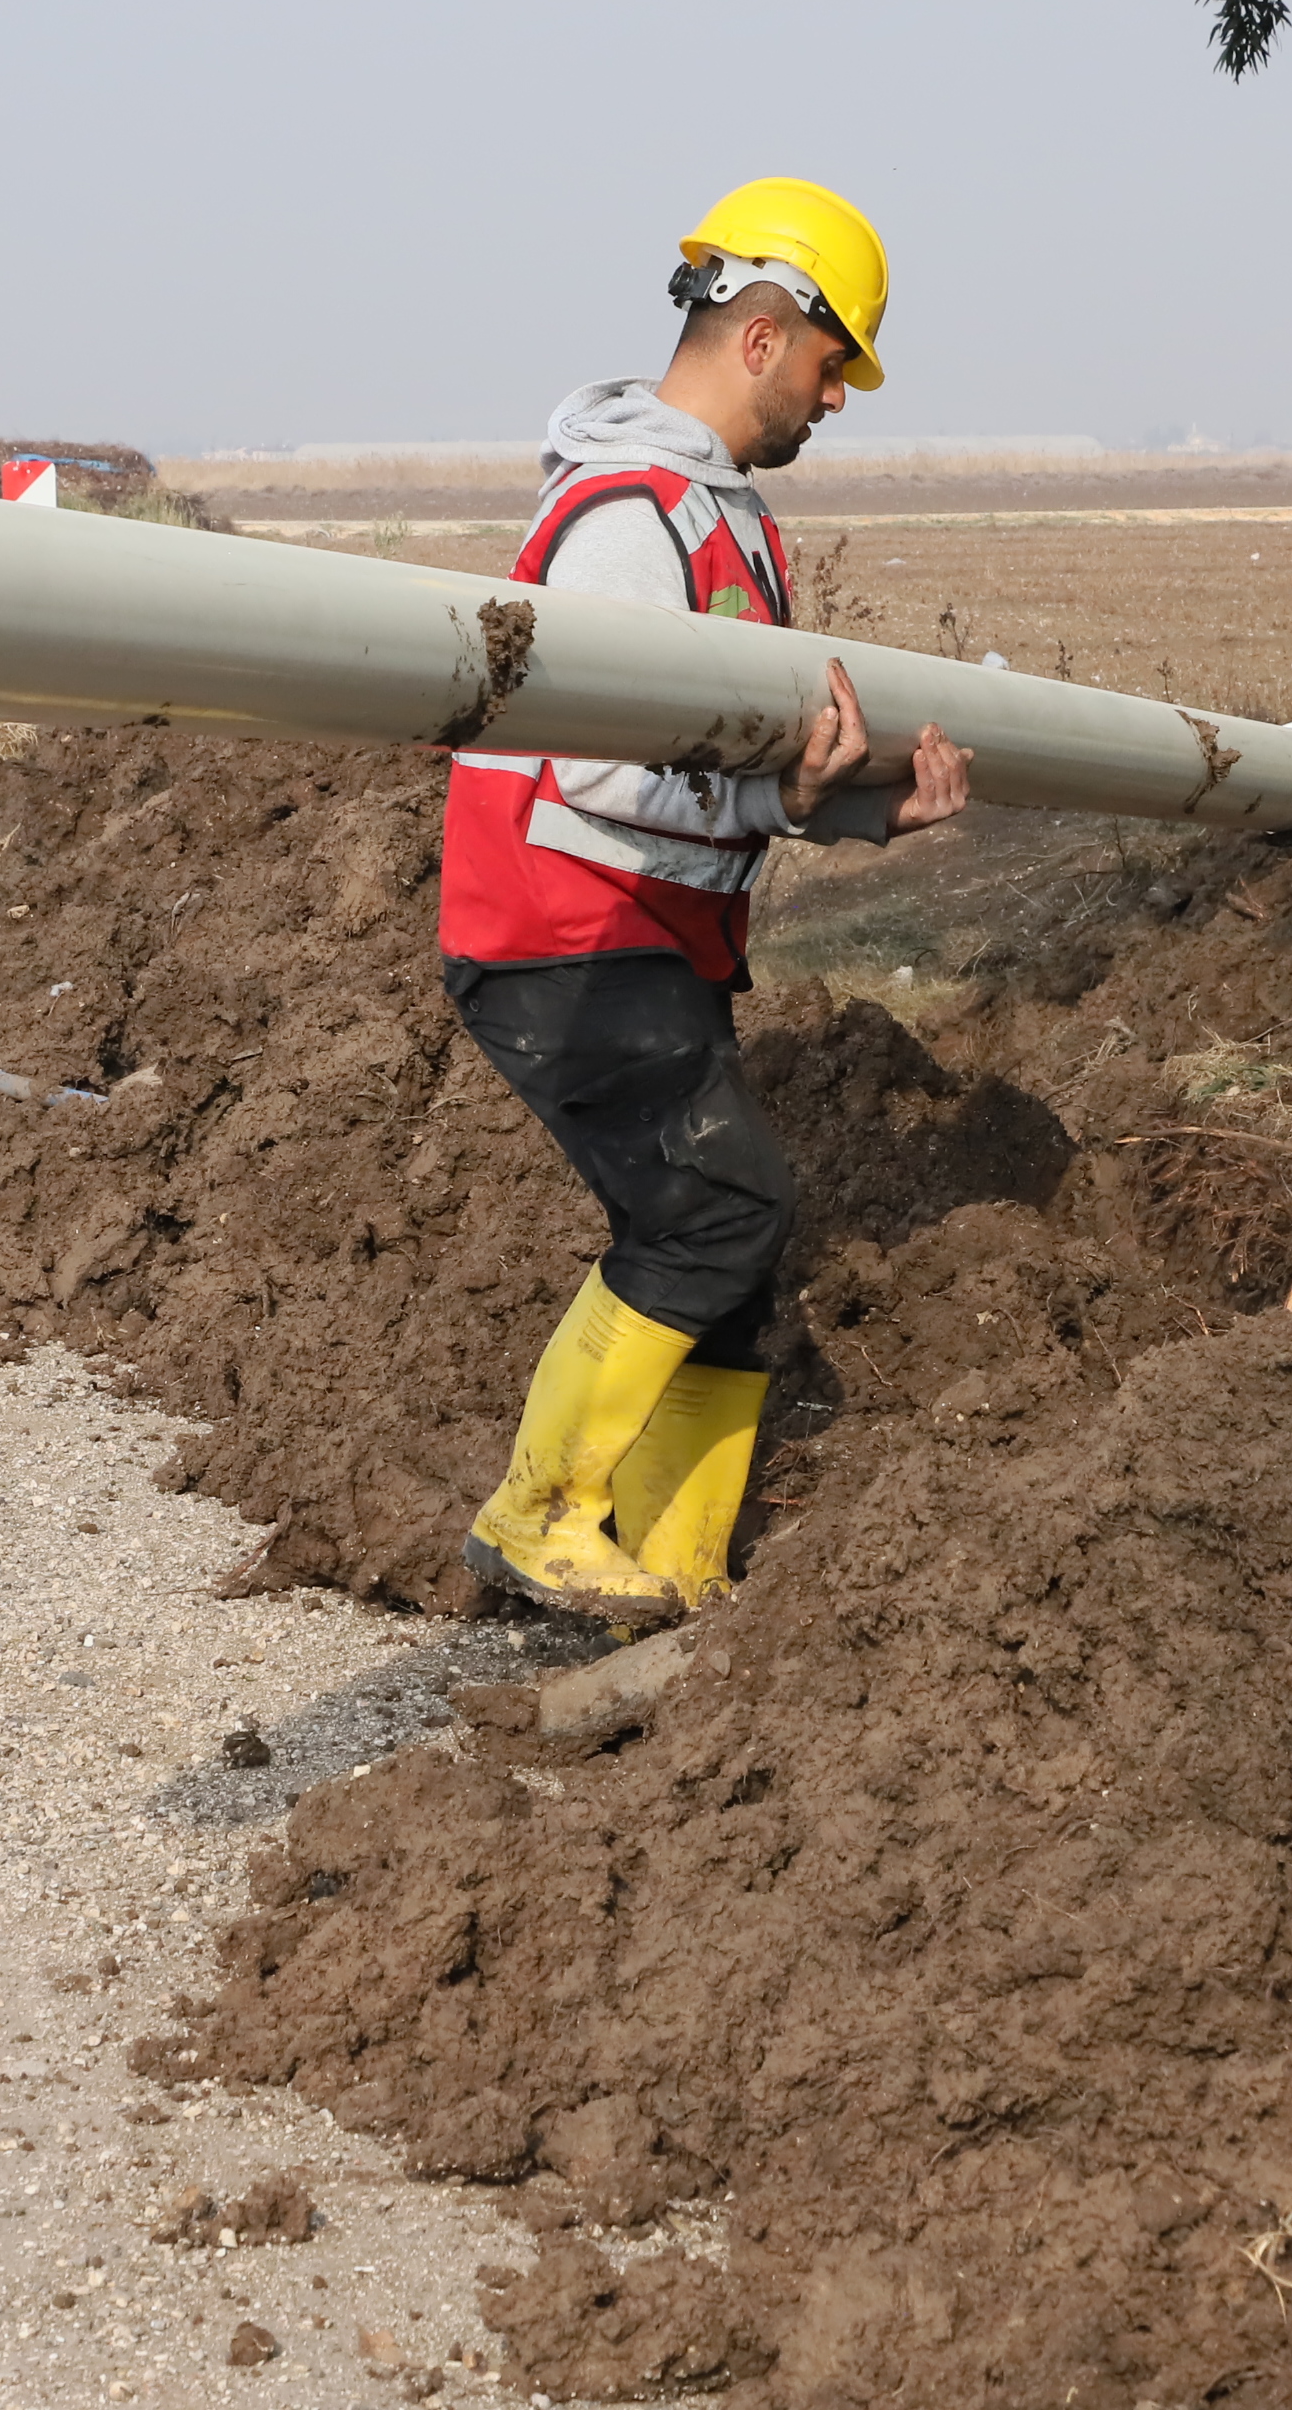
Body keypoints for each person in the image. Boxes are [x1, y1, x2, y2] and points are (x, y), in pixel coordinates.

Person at [440, 178, 972, 1622]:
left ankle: (675, 1572)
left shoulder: (723, 521)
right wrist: (778, 803)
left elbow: (744, 772)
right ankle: (535, 1516)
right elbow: (589, 767)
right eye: (831, 362)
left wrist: (863, 810)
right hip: (563, 935)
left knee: (730, 1254)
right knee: (716, 1214)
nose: (836, 399)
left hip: (649, 939)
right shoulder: (631, 516)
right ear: (760, 331)